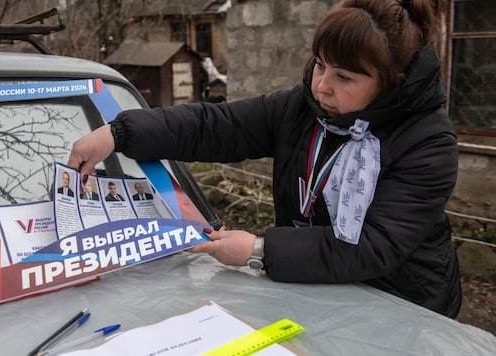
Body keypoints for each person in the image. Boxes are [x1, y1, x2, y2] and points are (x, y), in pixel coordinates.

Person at [67, 0, 461, 318]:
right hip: (314, 290)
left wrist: (258, 250)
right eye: (320, 65)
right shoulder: (304, 108)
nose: (321, 85)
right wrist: (119, 133)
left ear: (390, 83)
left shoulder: (428, 141)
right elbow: (218, 125)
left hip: (402, 306)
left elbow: (375, 246)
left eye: (344, 77)